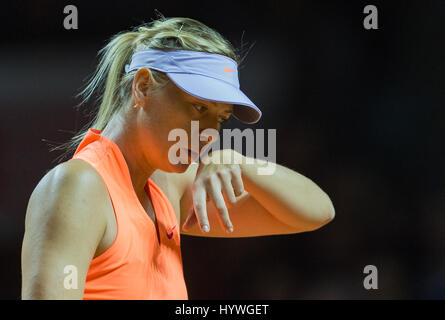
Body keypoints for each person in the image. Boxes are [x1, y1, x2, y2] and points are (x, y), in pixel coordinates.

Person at [21, 13, 335, 300]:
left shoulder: (168, 187)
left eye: (222, 118)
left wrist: (237, 161)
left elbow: (317, 211)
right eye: (199, 108)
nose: (210, 132)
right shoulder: (79, 187)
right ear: (143, 87)